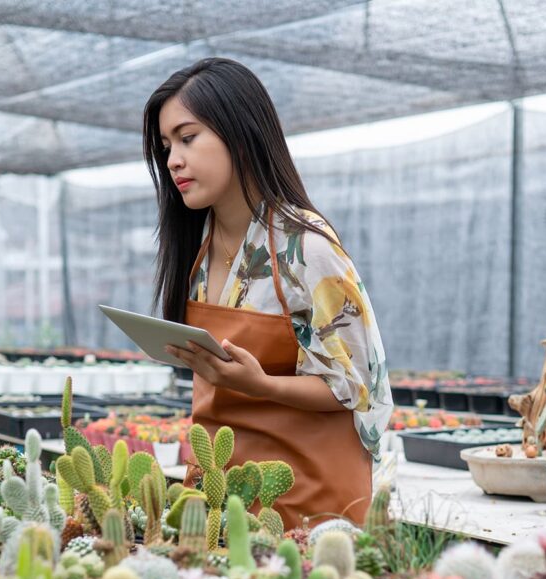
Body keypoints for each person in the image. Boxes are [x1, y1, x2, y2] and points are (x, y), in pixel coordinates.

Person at [142, 57, 393, 526]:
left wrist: (259, 385)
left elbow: (357, 387)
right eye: (166, 144)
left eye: (188, 137)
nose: (173, 158)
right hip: (218, 497)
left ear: (239, 133)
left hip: (303, 502)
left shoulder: (307, 248)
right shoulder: (198, 251)